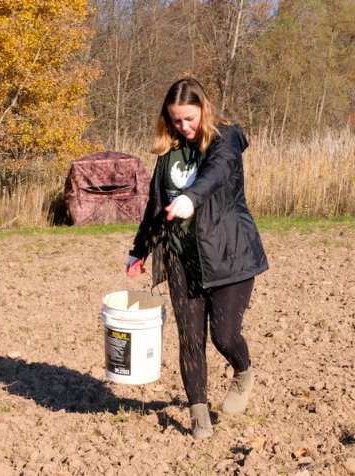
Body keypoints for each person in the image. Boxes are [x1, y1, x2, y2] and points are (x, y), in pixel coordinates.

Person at [125, 77, 268, 439]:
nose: (184, 127)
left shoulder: (226, 138)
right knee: (190, 339)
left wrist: (191, 197)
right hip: (180, 258)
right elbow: (154, 207)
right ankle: (198, 414)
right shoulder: (169, 154)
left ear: (203, 110)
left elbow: (218, 173)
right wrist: (139, 249)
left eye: (189, 118)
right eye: (176, 120)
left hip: (228, 253)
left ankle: (243, 372)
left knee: (224, 334)